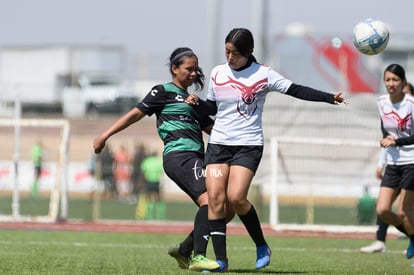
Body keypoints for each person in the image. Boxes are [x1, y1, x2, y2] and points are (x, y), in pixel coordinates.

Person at [196, 28, 347, 272]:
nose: (229, 57)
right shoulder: (217, 72)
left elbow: (296, 89)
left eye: (234, 53)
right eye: (226, 51)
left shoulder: (264, 75)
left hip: (248, 145)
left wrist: (329, 98)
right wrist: (195, 104)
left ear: (247, 53)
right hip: (218, 144)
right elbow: (211, 106)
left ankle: (262, 245)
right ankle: (220, 262)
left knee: (236, 197)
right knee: (215, 200)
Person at [93, 47, 234, 272]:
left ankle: (185, 249)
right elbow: (134, 114)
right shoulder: (162, 92)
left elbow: (214, 130)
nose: (194, 73)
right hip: (179, 156)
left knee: (226, 209)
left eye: (196, 69)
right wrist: (104, 135)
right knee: (209, 201)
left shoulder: (193, 101)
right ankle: (198, 256)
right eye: (189, 68)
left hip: (198, 157)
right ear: (174, 69)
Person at [360, 81, 414, 253]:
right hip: (395, 166)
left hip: (411, 166)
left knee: (405, 211)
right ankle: (380, 241)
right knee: (384, 207)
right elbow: (389, 141)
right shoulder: (392, 114)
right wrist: (380, 163)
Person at [375, 63, 414, 260]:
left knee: (404, 213)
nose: (391, 84)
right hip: (393, 163)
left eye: (395, 80)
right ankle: (413, 237)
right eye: (388, 79)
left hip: (411, 162)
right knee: (382, 210)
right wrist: (385, 139)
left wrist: (396, 141)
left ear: (403, 83)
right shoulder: (381, 102)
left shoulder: (411, 104)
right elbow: (385, 128)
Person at [140, 151, 165, 220]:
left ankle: (149, 216)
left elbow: (143, 172)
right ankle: (160, 216)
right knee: (159, 199)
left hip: (148, 182)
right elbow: (162, 172)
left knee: (148, 199)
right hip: (156, 182)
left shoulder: (146, 161)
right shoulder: (158, 161)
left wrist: (142, 182)